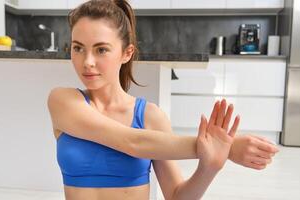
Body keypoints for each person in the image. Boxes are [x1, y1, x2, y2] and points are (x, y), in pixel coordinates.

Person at [47, 0, 279, 199]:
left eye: (101, 50)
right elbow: (132, 142)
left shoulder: (150, 116)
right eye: (78, 48)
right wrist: (227, 148)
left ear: (126, 53)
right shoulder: (63, 101)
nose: (87, 61)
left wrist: (210, 166)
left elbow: (177, 196)